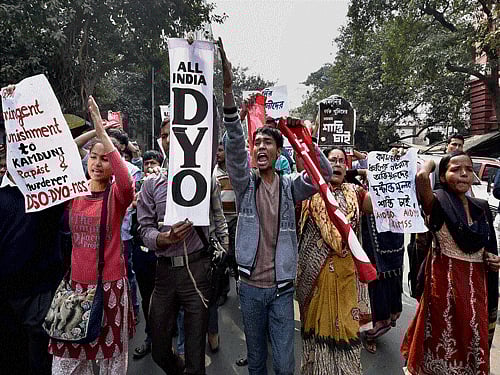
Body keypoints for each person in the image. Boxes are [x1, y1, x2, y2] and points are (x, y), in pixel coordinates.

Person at [218, 38, 332, 375]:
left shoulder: (289, 185)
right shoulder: (244, 183)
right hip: (250, 290)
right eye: (258, 142)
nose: (260, 146)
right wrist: (228, 90)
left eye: (269, 141)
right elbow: (235, 146)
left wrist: (303, 140)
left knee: (283, 364)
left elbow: (322, 173)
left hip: (282, 290)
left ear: (279, 152)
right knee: (256, 361)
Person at [49, 96, 135, 374]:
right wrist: (96, 131)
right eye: (92, 157)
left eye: (104, 159)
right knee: (68, 366)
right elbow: (61, 153)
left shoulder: (117, 195)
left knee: (111, 363)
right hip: (75, 288)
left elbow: (126, 179)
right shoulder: (73, 190)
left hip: (110, 287)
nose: (97, 164)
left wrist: (102, 130)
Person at [401, 151, 500, 374]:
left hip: (476, 291)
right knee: (442, 343)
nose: (464, 174)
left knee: (472, 341)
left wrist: (492, 260)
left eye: (468, 169)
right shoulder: (437, 203)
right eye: (455, 169)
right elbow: (421, 178)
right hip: (444, 292)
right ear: (443, 176)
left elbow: (487, 247)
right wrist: (431, 163)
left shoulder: (481, 207)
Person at [137, 126, 213, 375]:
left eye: (174, 132)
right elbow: (144, 229)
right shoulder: (150, 185)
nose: (169, 139)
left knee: (195, 353)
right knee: (159, 349)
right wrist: (164, 238)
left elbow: (216, 137)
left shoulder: (202, 177)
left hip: (196, 270)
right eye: (164, 135)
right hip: (164, 274)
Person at [296, 147, 373, 374]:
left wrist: (371, 173)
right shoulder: (308, 193)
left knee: (347, 330)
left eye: (341, 160)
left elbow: (379, 205)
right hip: (314, 278)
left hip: (346, 276)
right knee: (314, 331)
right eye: (332, 160)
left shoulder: (355, 192)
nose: (337, 164)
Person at [0, 152, 65, 375]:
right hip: (7, 294)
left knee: (40, 358)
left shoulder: (47, 196)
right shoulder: (2, 195)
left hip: (39, 292)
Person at [132, 150, 164, 360]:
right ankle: (150, 337)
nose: (150, 167)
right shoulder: (136, 187)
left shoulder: (167, 188)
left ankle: (167, 337)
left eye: (154, 163)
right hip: (141, 253)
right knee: (147, 298)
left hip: (162, 254)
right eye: (146, 164)